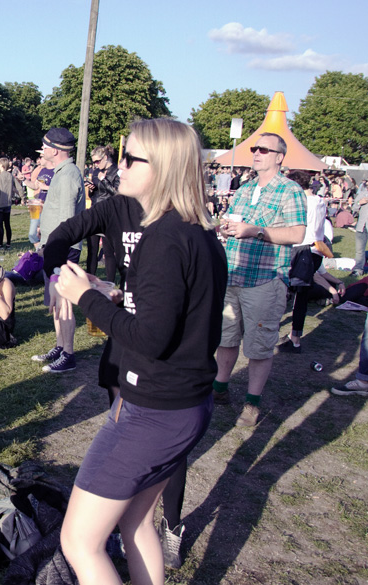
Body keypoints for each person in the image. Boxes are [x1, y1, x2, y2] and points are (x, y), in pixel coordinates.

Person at [55, 118, 227, 585]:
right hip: (182, 404)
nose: (119, 165)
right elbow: (177, 317)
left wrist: (82, 296)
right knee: (134, 524)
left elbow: (151, 338)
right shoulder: (198, 233)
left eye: (131, 158)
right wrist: (115, 296)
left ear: (165, 167)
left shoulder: (163, 238)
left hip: (155, 410)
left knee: (80, 542)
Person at [213, 132, 306, 427]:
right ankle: (219, 389)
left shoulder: (290, 191)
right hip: (232, 275)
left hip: (265, 279)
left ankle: (252, 403)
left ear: (279, 157)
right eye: (255, 148)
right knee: (226, 338)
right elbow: (232, 221)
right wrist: (225, 228)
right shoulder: (244, 188)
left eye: (265, 149)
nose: (256, 153)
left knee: (259, 345)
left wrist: (256, 231)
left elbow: (298, 234)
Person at [33, 128, 85, 374]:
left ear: (54, 149)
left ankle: (69, 354)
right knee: (55, 301)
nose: (42, 151)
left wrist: (55, 250)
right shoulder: (62, 173)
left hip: (62, 250)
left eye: (44, 147)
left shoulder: (67, 176)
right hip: (54, 248)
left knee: (63, 301)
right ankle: (59, 346)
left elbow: (67, 221)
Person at [277, 170, 328, 354]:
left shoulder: (304, 202)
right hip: (315, 250)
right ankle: (293, 337)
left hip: (302, 249)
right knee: (299, 296)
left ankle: (294, 340)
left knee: (290, 293)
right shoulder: (320, 200)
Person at [84, 145, 120, 281]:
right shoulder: (95, 172)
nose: (95, 164)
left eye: (98, 161)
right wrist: (92, 188)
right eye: (93, 162)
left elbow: (117, 192)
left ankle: (110, 282)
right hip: (95, 211)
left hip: (110, 214)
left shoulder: (116, 171)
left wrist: (103, 180)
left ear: (105, 158)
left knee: (109, 251)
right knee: (92, 251)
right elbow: (95, 193)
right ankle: (90, 280)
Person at [0, 158, 20, 249]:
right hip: (8, 204)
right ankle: (8, 244)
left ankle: (0, 243)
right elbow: (19, 187)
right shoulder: (11, 176)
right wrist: (23, 197)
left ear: (2, 166)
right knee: (7, 224)